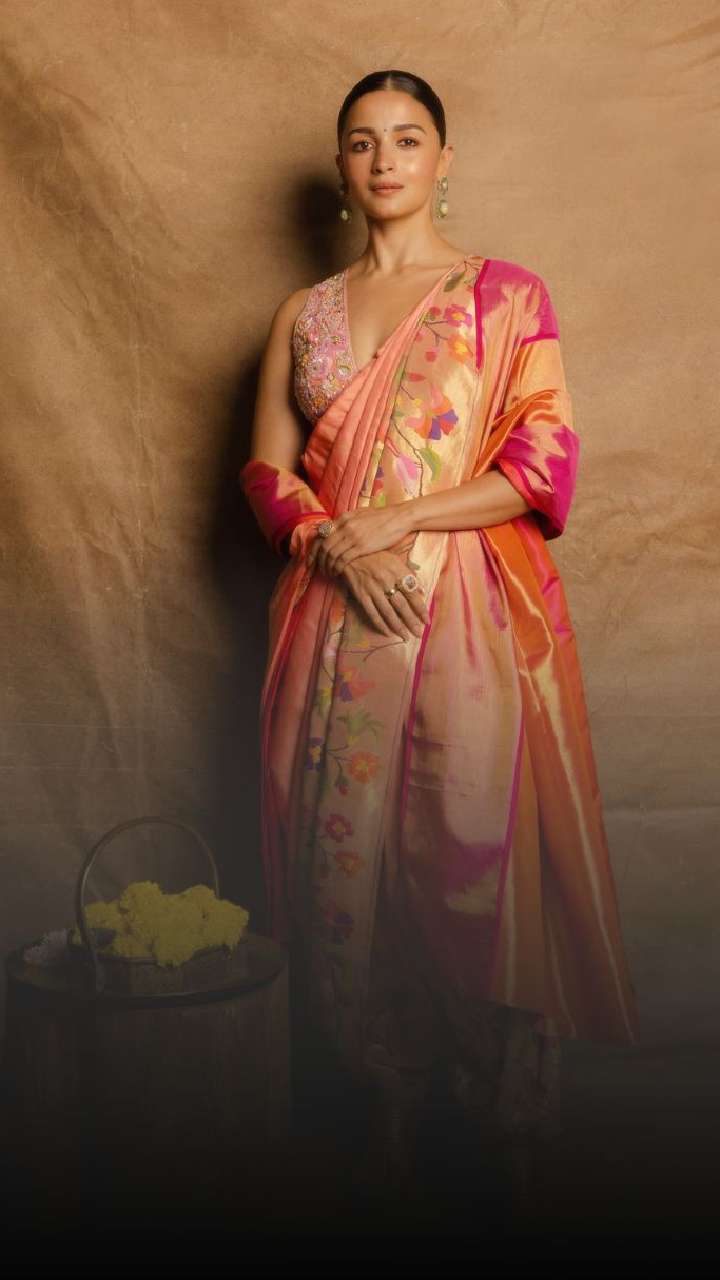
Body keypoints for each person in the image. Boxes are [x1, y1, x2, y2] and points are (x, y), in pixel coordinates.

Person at [240, 69, 639, 1195]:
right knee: (346, 859)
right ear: (341, 167)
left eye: (409, 139)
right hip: (335, 616)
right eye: (364, 141)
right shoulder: (304, 314)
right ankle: (385, 1100)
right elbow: (266, 472)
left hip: (463, 611)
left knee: (471, 847)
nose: (386, 160)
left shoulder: (502, 296)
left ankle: (503, 1116)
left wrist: (402, 519)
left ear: (444, 161)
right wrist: (336, 546)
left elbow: (541, 465)